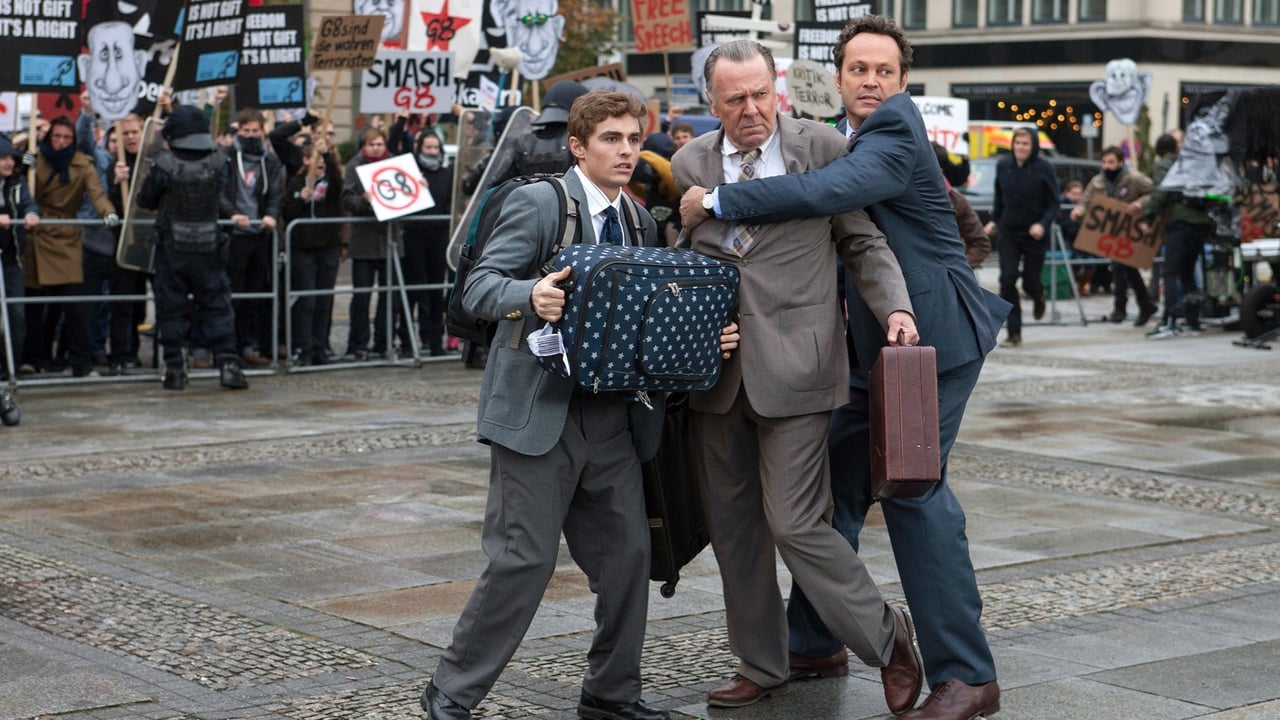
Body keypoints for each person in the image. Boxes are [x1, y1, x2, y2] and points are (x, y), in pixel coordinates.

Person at [679, 16, 1009, 720]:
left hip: (930, 338)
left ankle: (966, 674)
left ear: (903, 82)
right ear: (836, 77)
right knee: (837, 491)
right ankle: (812, 639)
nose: (870, 81)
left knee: (915, 495)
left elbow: (829, 199)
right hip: (862, 349)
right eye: (858, 69)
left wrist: (717, 200)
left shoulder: (890, 131)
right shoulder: (837, 134)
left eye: (884, 71)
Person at [422, 91, 695, 720]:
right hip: (538, 411)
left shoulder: (640, 220)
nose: (626, 151)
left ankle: (611, 694)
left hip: (613, 416)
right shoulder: (541, 203)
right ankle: (451, 692)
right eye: (611, 139)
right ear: (578, 146)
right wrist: (530, 294)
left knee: (629, 558)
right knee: (523, 559)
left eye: (634, 139)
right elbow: (480, 285)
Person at [672, 38, 924, 715]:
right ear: (712, 102)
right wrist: (696, 329)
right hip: (718, 376)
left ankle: (887, 638)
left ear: (776, 89)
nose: (752, 109)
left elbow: (862, 240)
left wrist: (895, 308)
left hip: (802, 370)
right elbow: (682, 261)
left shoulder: (822, 148)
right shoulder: (689, 163)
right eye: (736, 99)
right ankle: (762, 662)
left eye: (761, 94)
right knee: (735, 530)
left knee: (795, 523)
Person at [135, 105, 248, 391]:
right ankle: (229, 365)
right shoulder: (220, 161)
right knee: (218, 306)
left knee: (171, 307)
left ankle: (174, 368)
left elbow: (145, 201)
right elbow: (225, 197)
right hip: (209, 245)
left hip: (172, 247)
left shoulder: (163, 164)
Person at [23, 116, 119, 377]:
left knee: (74, 305)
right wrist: (24, 164)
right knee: (35, 305)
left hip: (66, 234)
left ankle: (81, 363)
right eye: (57, 136)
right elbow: (25, 191)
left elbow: (97, 193)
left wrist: (108, 213)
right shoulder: (35, 158)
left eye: (67, 137)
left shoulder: (83, 164)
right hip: (36, 232)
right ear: (49, 136)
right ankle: (32, 359)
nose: (61, 142)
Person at [982, 126, 1060, 347]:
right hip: (1009, 231)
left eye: (1025, 143)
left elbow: (1054, 203)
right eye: (1017, 143)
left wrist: (1043, 224)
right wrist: (994, 221)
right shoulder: (1003, 165)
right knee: (1007, 279)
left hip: (1035, 234)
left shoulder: (1044, 168)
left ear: (1033, 146)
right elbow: (999, 197)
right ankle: (1013, 333)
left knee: (1030, 282)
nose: (1021, 147)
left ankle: (1038, 295)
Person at [222, 108, 284, 367]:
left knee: (255, 294)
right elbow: (220, 191)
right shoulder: (226, 157)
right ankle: (230, 348)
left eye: (255, 131)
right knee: (233, 294)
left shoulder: (269, 159)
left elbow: (275, 192)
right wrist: (232, 213)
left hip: (260, 234)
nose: (250, 135)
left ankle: (247, 345)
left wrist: (271, 215)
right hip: (235, 235)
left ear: (262, 131)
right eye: (245, 131)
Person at [1070, 146, 1156, 326]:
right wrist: (1079, 210)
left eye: (1111, 162)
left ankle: (1129, 307)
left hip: (1129, 229)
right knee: (1120, 268)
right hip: (1111, 231)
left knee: (1126, 268)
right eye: (1104, 162)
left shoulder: (1134, 178)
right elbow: (1086, 199)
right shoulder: (1098, 181)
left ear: (1120, 162)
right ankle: (1137, 306)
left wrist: (1139, 204)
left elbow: (1154, 193)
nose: (1107, 166)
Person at [1139, 132, 1214, 339]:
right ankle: (1193, 321)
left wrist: (1148, 217)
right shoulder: (1190, 163)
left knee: (1170, 273)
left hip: (1179, 224)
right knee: (1188, 274)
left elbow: (1160, 193)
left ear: (1159, 150)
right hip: (1200, 223)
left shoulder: (1165, 164)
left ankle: (1169, 321)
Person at [341, 126, 403, 361]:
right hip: (364, 241)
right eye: (371, 144)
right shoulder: (354, 166)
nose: (376, 148)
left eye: (379, 144)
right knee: (362, 297)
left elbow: (407, 192)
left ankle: (384, 341)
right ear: (363, 146)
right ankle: (358, 344)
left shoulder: (395, 163)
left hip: (390, 241)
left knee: (389, 297)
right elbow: (346, 199)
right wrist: (364, 200)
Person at [282, 143, 344, 366]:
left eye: (322, 160)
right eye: (315, 159)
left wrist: (327, 154)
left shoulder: (331, 182)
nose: (320, 164)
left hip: (327, 247)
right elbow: (287, 211)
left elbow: (338, 185)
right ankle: (303, 347)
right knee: (307, 301)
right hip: (303, 249)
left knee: (324, 300)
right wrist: (300, 199)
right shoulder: (296, 183)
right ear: (305, 161)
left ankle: (320, 346)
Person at [398, 129, 453, 356]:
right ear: (419, 148)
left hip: (438, 237)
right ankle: (407, 342)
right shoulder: (411, 172)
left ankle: (435, 342)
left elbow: (450, 202)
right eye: (428, 147)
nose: (432, 151)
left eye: (435, 148)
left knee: (435, 292)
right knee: (413, 290)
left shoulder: (447, 173)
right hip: (413, 237)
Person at [0, 135, 38, 380]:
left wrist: (32, 214)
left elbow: (28, 203)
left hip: (12, 258)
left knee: (16, 315)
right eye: (3, 158)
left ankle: (11, 367)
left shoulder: (17, 182)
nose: (9, 163)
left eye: (11, 158)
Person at [932, 143, 989, 269]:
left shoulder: (956, 201)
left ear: (940, 170)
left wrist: (957, 270)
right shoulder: (898, 196)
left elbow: (980, 243)